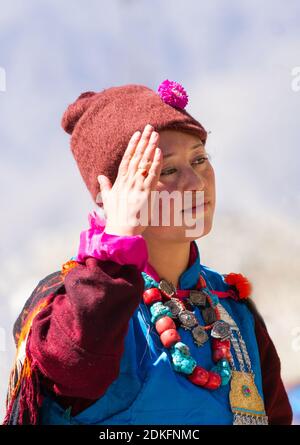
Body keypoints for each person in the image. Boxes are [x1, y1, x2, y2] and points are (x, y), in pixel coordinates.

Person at [3, 80, 292, 425]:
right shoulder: (79, 305)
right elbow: (74, 367)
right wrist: (118, 241)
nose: (196, 183)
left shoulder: (233, 312)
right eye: (168, 169)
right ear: (112, 193)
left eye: (200, 159)